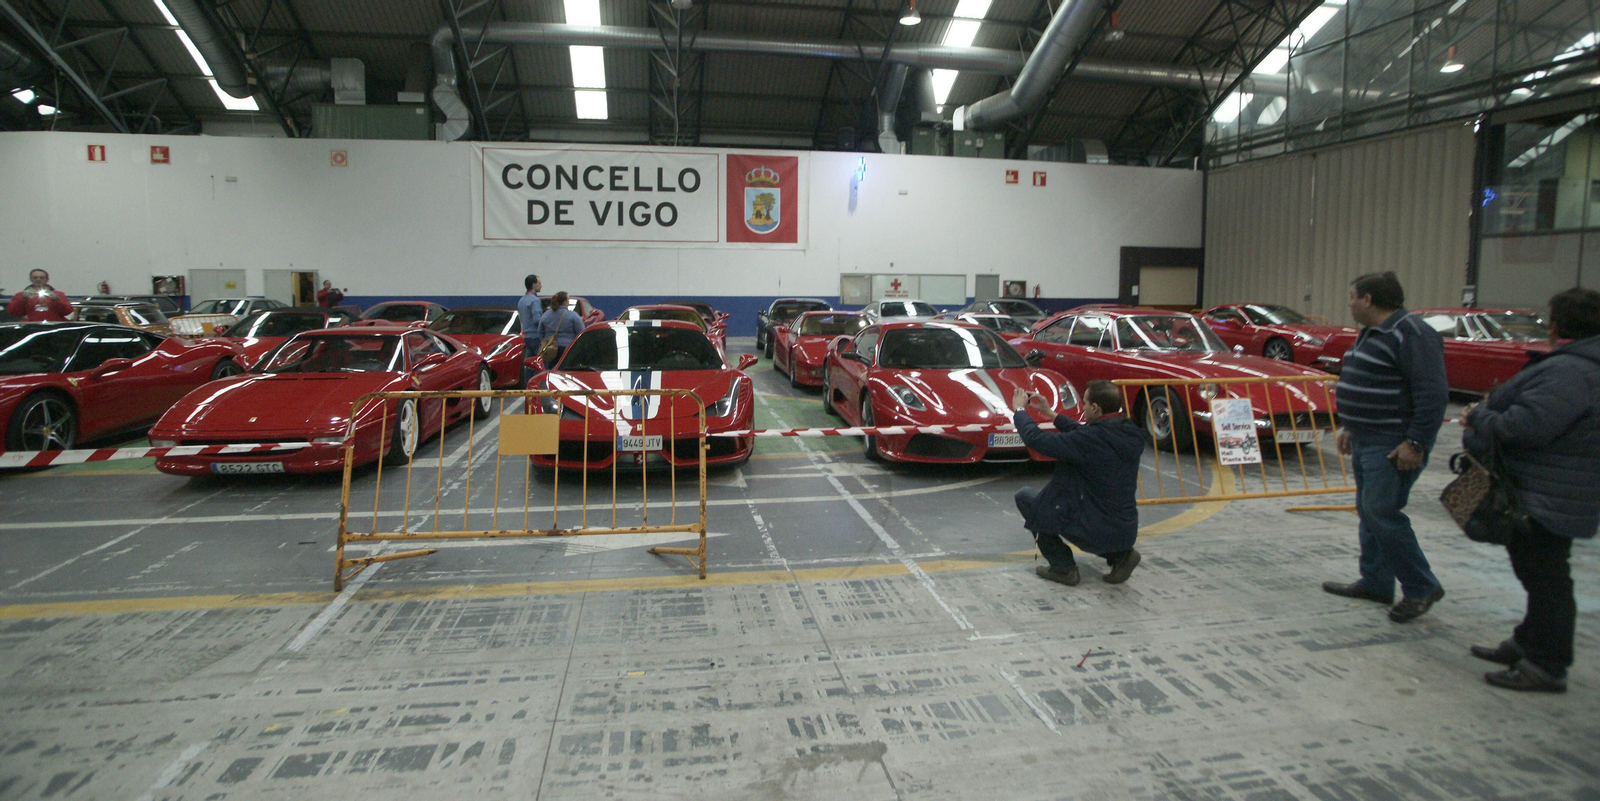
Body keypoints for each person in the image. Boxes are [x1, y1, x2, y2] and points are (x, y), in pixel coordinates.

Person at [1461, 288, 1600, 693]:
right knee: (1540, 573)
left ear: (1557, 326)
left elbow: (1525, 426)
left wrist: (1480, 416)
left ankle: (1546, 664)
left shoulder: (1571, 371)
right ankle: (1529, 642)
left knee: (1547, 578)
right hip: (1556, 488)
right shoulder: (1579, 366)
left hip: (1547, 494)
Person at [1324, 271, 1450, 623]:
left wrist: (1416, 442)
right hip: (1367, 437)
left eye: (1351, 296)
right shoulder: (1370, 333)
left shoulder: (1412, 334)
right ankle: (1376, 582)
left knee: (1382, 512)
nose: (1348, 303)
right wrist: (1352, 424)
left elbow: (1433, 393)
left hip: (1393, 444)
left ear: (1367, 300)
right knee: (1369, 511)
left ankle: (1421, 586)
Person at [1011, 380, 1147, 586]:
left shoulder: (1090, 439)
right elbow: (1084, 433)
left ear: (1095, 408)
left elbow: (1036, 440)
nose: (1082, 407)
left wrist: (1020, 410)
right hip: (1125, 529)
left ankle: (1063, 568)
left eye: (1084, 403)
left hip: (1096, 529)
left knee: (1027, 498)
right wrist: (1050, 413)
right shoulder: (1129, 432)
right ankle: (1121, 556)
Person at [537, 291, 584, 366]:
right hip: (567, 348)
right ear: (565, 302)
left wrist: (545, 341)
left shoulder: (546, 315)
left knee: (550, 370)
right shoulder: (573, 316)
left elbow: (540, 331)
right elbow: (581, 333)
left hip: (549, 349)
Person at [6, 269, 73, 322]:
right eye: (35, 277)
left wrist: (57, 300)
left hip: (53, 326)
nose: (38, 279)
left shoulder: (58, 294)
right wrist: (22, 299)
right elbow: (13, 312)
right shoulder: (21, 295)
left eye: (42, 277)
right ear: (31, 279)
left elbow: (67, 312)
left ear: (47, 280)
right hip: (31, 327)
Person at [517, 274, 543, 382]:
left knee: (528, 364)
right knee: (539, 363)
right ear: (533, 285)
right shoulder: (535, 301)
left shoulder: (521, 301)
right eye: (539, 283)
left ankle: (528, 386)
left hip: (527, 336)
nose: (541, 286)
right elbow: (537, 320)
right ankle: (538, 385)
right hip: (536, 336)